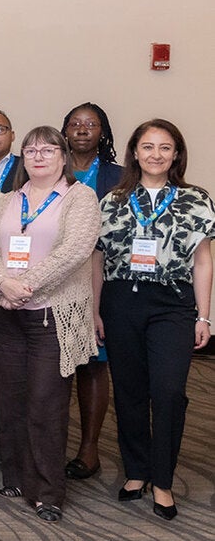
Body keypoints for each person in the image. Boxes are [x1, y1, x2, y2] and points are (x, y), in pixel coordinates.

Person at [0, 126, 101, 523]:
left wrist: (25, 284)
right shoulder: (10, 198)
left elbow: (76, 249)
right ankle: (15, 474)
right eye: (31, 150)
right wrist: (2, 283)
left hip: (51, 316)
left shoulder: (80, 197)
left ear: (63, 156)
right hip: (9, 315)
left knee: (46, 404)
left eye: (48, 150)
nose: (38, 156)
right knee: (10, 400)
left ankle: (48, 492)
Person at [94, 119, 213, 520]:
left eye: (165, 147)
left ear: (176, 154)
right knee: (129, 391)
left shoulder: (196, 199)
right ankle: (136, 471)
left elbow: (202, 261)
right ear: (135, 152)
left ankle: (162, 478)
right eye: (148, 147)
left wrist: (204, 316)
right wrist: (95, 310)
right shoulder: (112, 200)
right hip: (120, 302)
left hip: (172, 305)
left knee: (168, 392)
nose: (156, 155)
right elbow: (98, 260)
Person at [60, 101, 123, 482]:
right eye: (76, 123)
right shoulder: (50, 168)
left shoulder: (120, 176)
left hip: (101, 279)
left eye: (92, 124)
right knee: (51, 363)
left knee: (93, 361)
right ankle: (50, 443)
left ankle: (89, 447)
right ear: (64, 130)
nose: (83, 129)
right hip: (53, 280)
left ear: (103, 132)